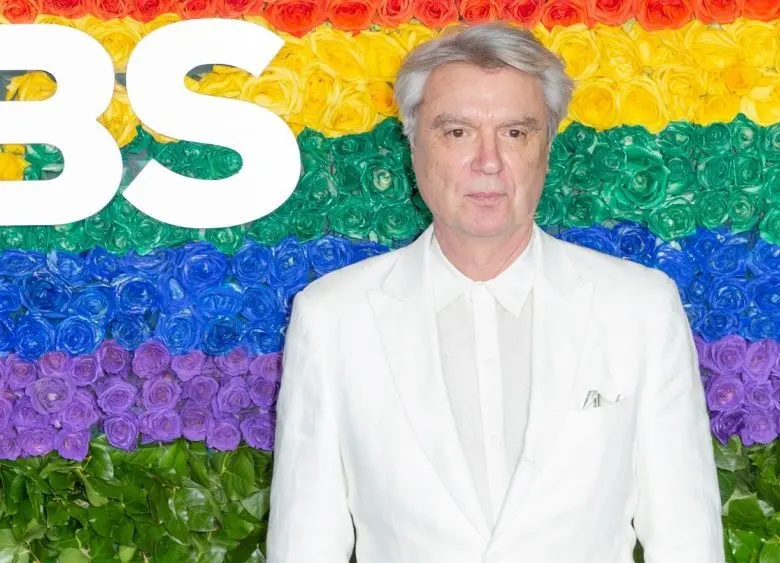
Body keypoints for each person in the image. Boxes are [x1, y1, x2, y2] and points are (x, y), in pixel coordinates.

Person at [265, 22, 723, 563]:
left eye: (515, 132)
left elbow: (686, 537)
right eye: (457, 132)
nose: (488, 161)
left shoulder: (640, 308)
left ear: (546, 149)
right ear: (414, 147)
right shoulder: (332, 316)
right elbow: (305, 542)